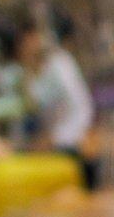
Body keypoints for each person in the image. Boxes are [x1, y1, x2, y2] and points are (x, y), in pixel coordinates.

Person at [14, 24, 96, 154]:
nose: (27, 45)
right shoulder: (24, 72)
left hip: (73, 140)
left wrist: (56, 138)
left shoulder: (60, 63)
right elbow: (31, 107)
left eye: (30, 39)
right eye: (23, 42)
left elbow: (82, 108)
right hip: (49, 144)